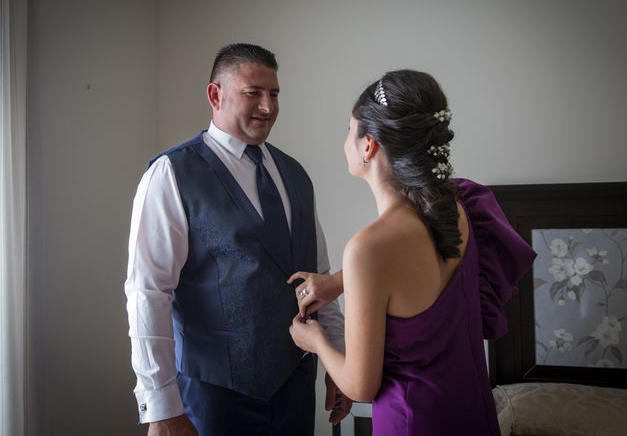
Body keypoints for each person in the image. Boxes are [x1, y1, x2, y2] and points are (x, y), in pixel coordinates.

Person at [289, 69, 536, 435]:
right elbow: (417, 269)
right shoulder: (459, 206)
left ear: (368, 144)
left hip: (412, 422)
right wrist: (338, 283)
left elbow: (360, 386)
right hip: (470, 412)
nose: (345, 141)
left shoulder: (367, 249)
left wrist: (317, 342)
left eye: (348, 129)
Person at [125, 43, 350, 436]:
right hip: (213, 396)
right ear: (216, 95)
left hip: (295, 388)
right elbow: (148, 292)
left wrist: (340, 362)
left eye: (275, 94)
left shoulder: (295, 174)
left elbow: (321, 275)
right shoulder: (171, 174)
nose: (268, 106)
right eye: (254, 93)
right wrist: (159, 407)